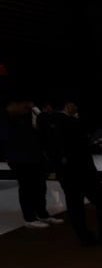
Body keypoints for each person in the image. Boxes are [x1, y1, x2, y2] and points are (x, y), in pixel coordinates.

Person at [42, 98, 102, 247]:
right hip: (82, 169)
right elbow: (78, 146)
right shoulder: (70, 122)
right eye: (74, 104)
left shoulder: (48, 123)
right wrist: (98, 148)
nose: (76, 107)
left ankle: (84, 237)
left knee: (75, 204)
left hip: (64, 170)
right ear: (67, 105)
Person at [2, 95, 64, 229]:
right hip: (19, 159)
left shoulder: (23, 116)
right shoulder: (5, 118)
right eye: (24, 106)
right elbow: (10, 138)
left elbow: (44, 126)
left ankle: (42, 214)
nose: (26, 109)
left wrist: (34, 110)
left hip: (34, 156)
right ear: (14, 104)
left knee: (40, 187)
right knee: (27, 188)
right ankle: (29, 218)